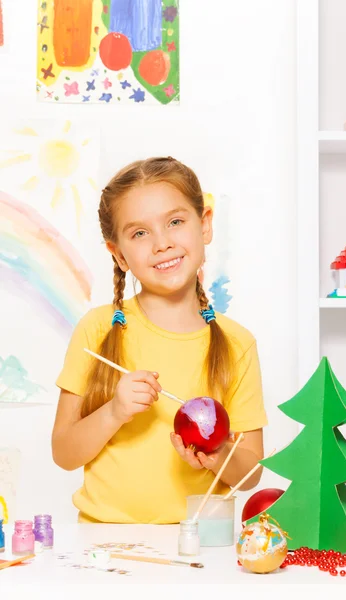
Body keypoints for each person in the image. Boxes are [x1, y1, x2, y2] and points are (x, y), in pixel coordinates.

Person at [52, 157, 268, 524]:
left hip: (199, 542)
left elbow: (252, 473)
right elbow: (64, 453)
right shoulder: (98, 329)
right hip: (104, 544)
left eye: (175, 222)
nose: (162, 243)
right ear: (118, 254)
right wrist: (115, 412)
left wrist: (216, 456)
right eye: (139, 233)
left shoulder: (237, 343)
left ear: (205, 225)